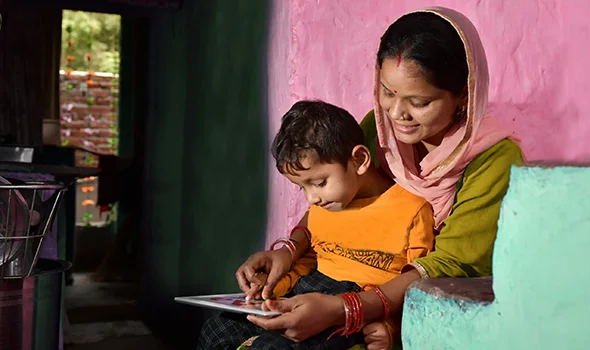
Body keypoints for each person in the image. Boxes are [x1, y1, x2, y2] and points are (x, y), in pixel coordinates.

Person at [225, 6, 524, 350]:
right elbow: (342, 198)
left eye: (419, 102)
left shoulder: (494, 159)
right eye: (388, 92)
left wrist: (344, 310)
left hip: (406, 311)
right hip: (339, 287)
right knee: (224, 331)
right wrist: (290, 250)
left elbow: (447, 265)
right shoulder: (378, 130)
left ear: (464, 94)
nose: (397, 114)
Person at [199, 100, 435, 349]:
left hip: (353, 309)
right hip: (306, 290)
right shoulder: (328, 204)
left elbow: (416, 289)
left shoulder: (412, 211)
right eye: (302, 187)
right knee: (216, 329)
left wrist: (390, 326)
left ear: (359, 159)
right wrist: (269, 288)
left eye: (319, 183)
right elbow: (309, 261)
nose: (312, 198)